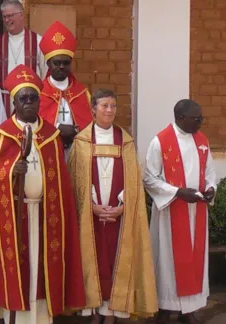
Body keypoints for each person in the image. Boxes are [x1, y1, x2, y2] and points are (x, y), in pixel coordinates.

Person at [0, 64, 86, 324]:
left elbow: (60, 184)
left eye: (34, 98)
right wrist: (10, 171)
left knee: (41, 267)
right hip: (15, 215)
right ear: (14, 102)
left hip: (45, 214)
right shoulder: (2, 135)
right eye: (24, 98)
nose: (29, 103)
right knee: (17, 265)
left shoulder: (51, 135)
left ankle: (40, 315)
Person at [69, 89, 157, 324]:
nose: (109, 111)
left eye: (113, 106)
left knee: (114, 261)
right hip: (92, 215)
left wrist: (122, 205)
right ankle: (96, 311)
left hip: (119, 215)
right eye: (104, 106)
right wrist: (91, 205)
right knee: (95, 261)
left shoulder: (126, 141)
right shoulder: (82, 142)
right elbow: (76, 180)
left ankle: (114, 313)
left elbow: (134, 180)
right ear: (93, 109)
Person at [144, 99, 216, 324]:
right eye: (197, 119)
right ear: (180, 118)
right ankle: (165, 306)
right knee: (167, 261)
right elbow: (149, 178)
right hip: (171, 213)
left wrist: (211, 187)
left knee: (194, 260)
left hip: (196, 213)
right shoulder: (160, 141)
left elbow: (210, 171)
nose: (201, 123)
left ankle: (189, 310)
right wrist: (176, 192)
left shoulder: (202, 140)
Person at [38, 21, 93, 160]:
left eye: (66, 63)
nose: (61, 66)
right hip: (48, 150)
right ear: (48, 63)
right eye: (57, 63)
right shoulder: (39, 92)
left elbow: (89, 125)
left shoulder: (82, 92)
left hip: (76, 151)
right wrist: (57, 128)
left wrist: (74, 131)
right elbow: (35, 123)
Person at [0, 0, 47, 116]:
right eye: (4, 17)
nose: (7, 20)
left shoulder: (37, 41)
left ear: (21, 15)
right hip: (5, 103)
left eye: (10, 16)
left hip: (30, 102)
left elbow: (44, 75)